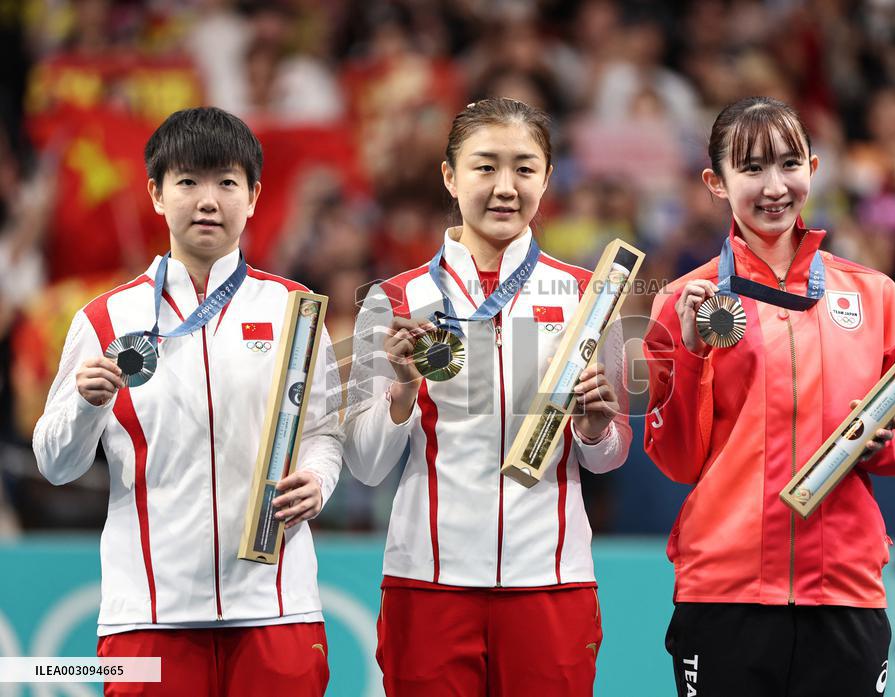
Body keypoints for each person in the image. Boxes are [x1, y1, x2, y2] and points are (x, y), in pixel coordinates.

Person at [32, 107, 342, 696]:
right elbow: (54, 463)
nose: (208, 200)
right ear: (156, 193)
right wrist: (83, 403)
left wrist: (318, 481)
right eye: (188, 182)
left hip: (276, 606)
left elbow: (323, 431)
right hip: (148, 613)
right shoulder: (104, 318)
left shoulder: (297, 311)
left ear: (253, 197)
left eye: (227, 182)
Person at [643, 96, 895, 697]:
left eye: (788, 164)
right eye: (751, 168)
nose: (773, 185)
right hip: (724, 590)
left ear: (813, 165)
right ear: (716, 183)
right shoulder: (684, 300)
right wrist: (694, 348)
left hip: (844, 589)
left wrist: (880, 444)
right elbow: (675, 458)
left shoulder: (876, 296)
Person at [343, 97, 631, 697]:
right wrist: (402, 388)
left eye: (525, 168)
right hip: (428, 582)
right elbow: (367, 465)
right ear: (450, 177)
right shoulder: (394, 300)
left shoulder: (589, 297)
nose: (505, 187)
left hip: (550, 582)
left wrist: (597, 428)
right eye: (485, 167)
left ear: (548, 179)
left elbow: (609, 457)